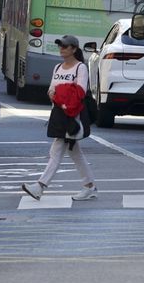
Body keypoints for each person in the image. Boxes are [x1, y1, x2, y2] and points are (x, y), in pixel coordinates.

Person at [22, 35, 97, 200]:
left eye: (65, 46)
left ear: (74, 49)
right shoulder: (57, 68)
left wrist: (60, 93)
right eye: (60, 46)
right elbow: (50, 91)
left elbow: (80, 92)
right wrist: (60, 93)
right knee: (74, 153)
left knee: (56, 151)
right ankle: (90, 185)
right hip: (58, 115)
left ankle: (40, 186)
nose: (61, 49)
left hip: (72, 117)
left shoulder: (80, 68)